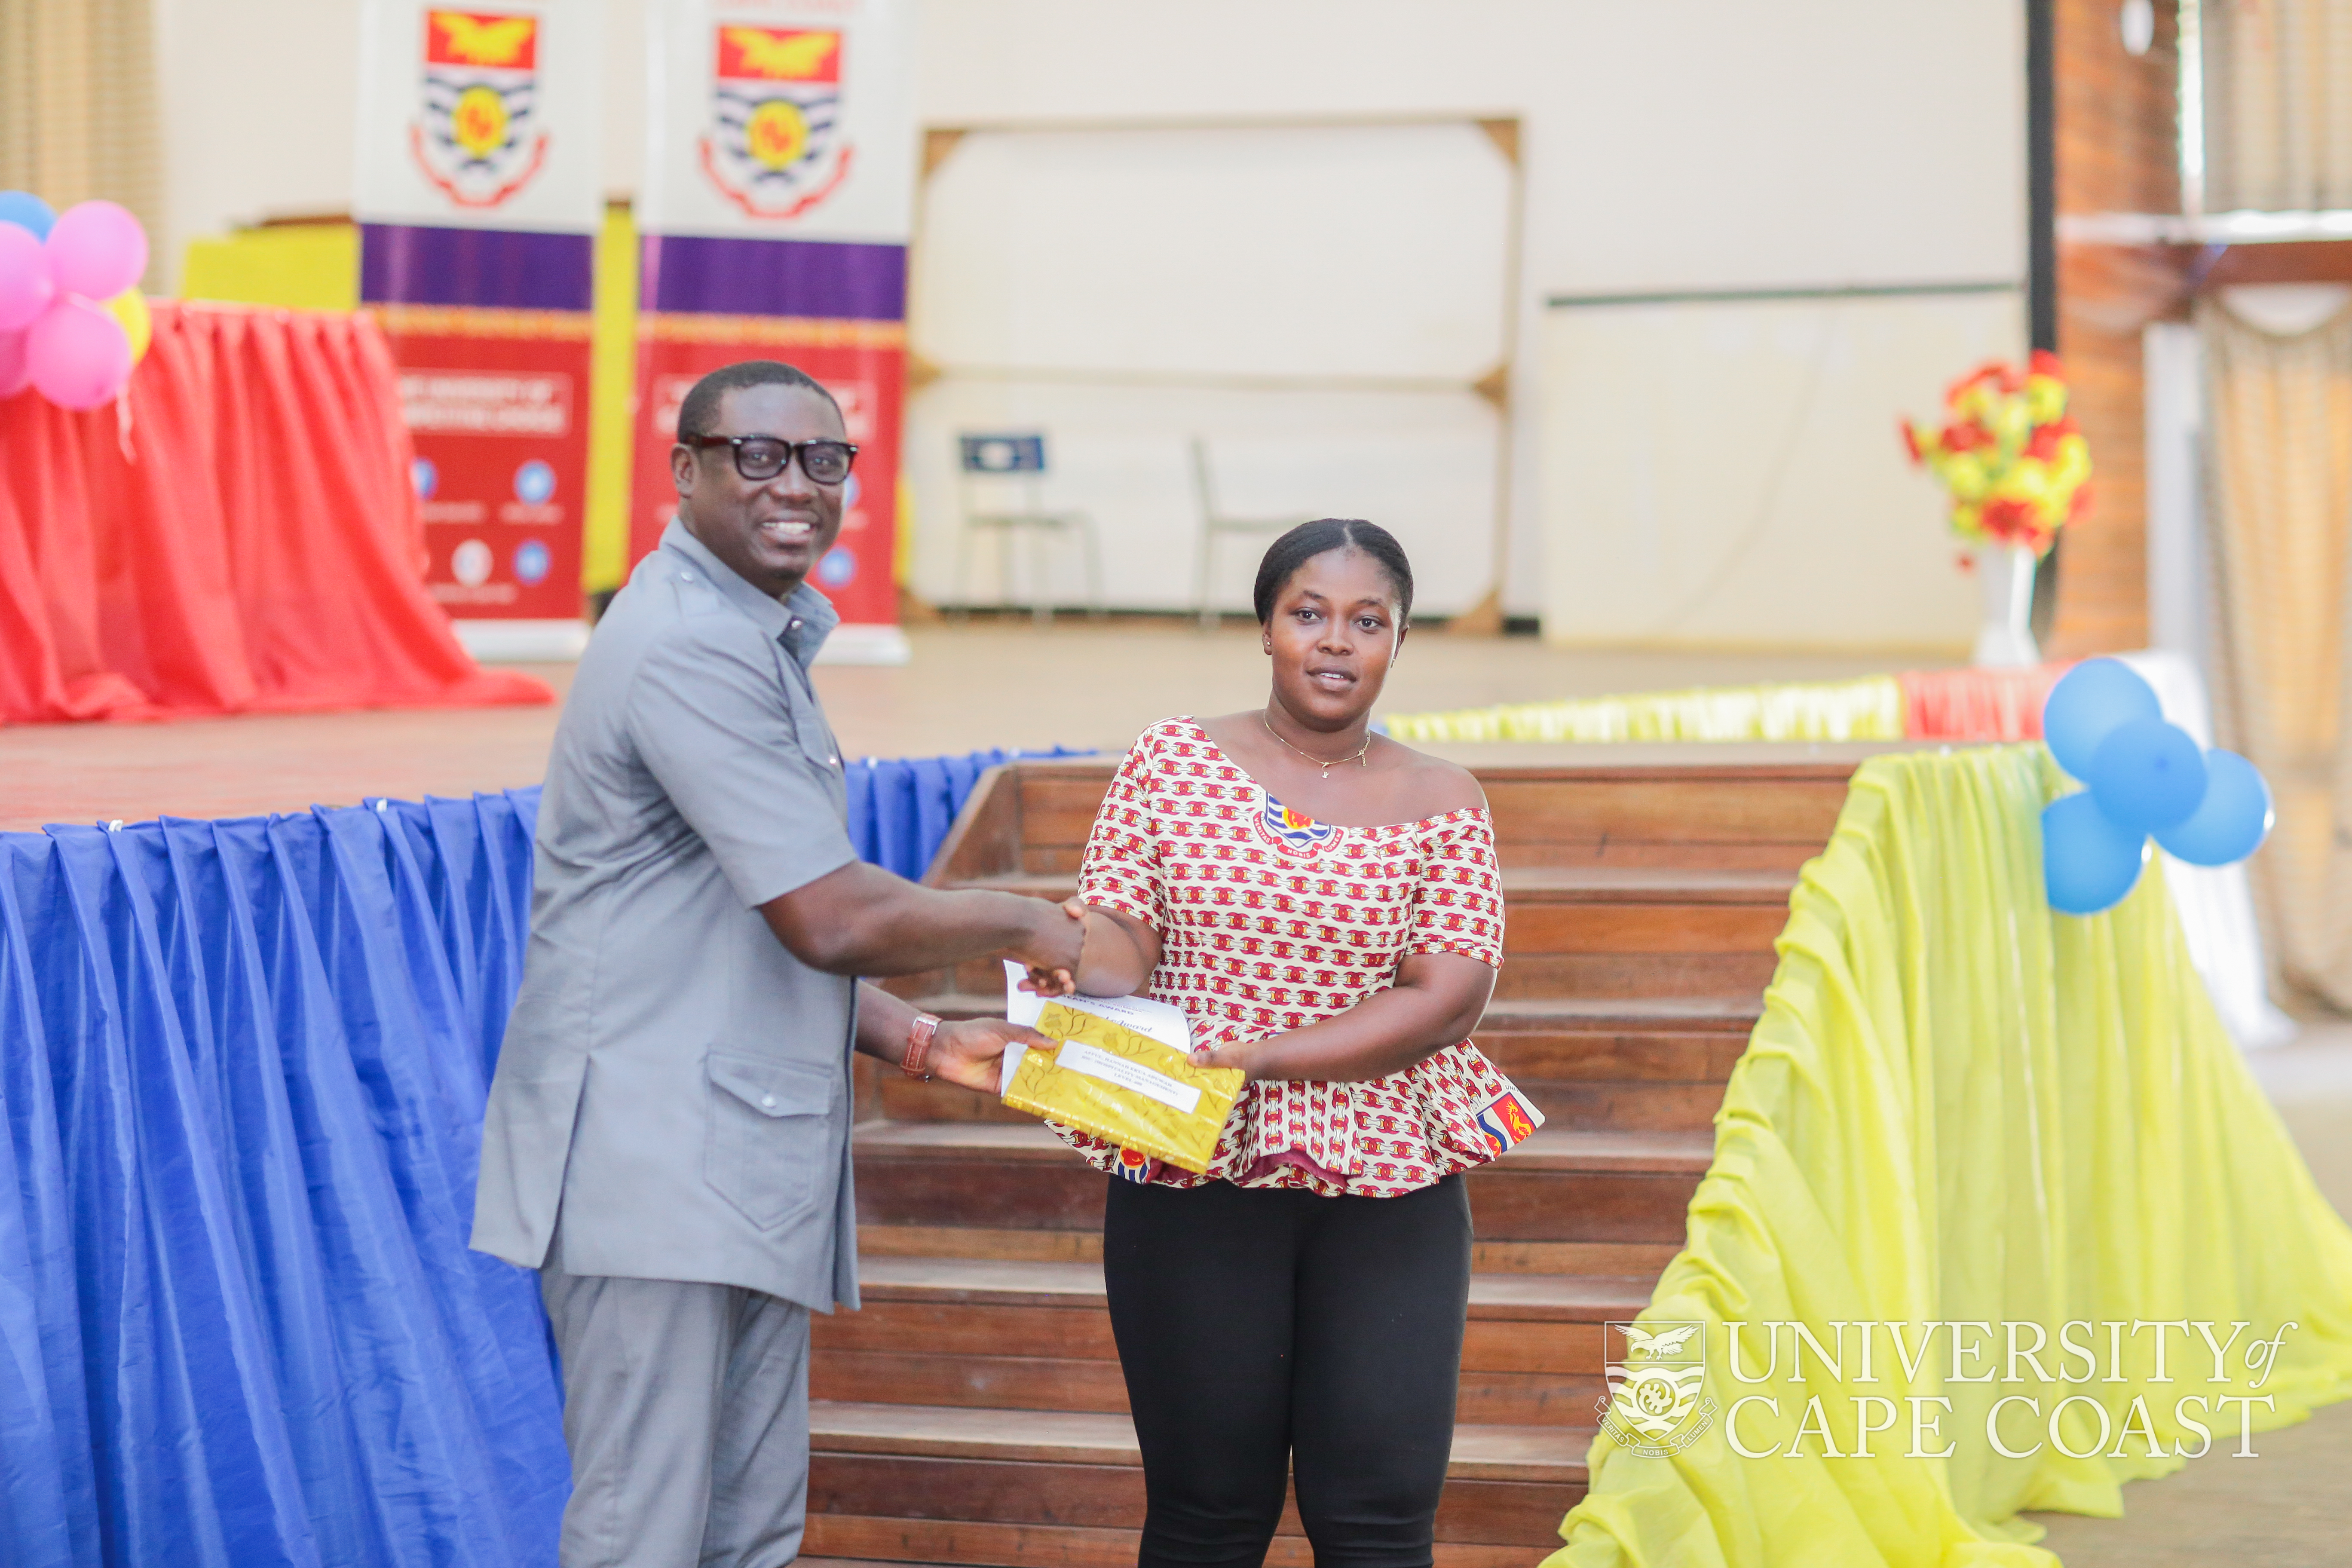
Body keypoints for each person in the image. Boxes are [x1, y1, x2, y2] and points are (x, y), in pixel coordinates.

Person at [471, 359, 1082, 1568]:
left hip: (728, 1158)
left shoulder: (754, 636)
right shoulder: (688, 645)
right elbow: (827, 916)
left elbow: (733, 916)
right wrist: (1031, 924)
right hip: (655, 1172)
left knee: (745, 1538)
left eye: (822, 459)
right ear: (686, 471)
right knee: (644, 1540)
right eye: (755, 456)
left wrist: (919, 1039)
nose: (794, 485)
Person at [1055, 518, 1539, 1568]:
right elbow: (1120, 932)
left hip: (1389, 1181)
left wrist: (1264, 1057)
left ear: (1398, 644)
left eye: (1367, 622)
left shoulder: (1446, 801)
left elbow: (1450, 997)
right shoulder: (1172, 759)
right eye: (1307, 614)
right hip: (1189, 1158)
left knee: (1376, 1516)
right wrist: (1067, 959)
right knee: (1205, 1511)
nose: (1334, 641)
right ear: (1266, 630)